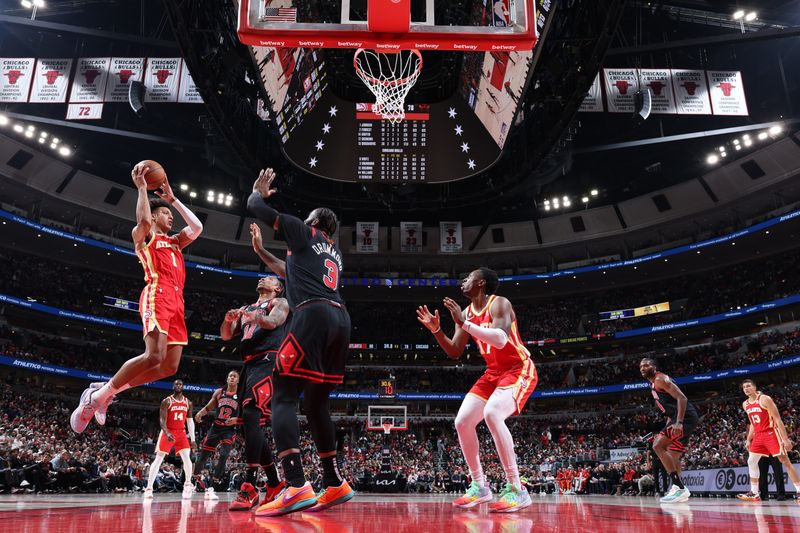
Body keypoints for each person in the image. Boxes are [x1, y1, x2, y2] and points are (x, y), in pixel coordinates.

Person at [246, 168, 354, 516]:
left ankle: (295, 485)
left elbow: (257, 208)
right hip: (340, 320)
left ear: (314, 222)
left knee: (284, 392)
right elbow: (287, 271)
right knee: (317, 403)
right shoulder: (333, 253)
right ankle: (334, 482)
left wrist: (257, 193)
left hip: (312, 315)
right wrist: (262, 253)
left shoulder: (304, 232)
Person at [70, 163, 203, 433]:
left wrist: (173, 200)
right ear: (153, 218)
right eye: (165, 213)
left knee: (168, 367)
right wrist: (143, 188)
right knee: (153, 355)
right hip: (158, 293)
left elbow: (198, 227)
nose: (170, 217)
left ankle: (103, 393)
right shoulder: (146, 236)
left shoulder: (175, 242)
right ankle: (96, 397)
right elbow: (142, 221)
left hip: (178, 302)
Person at [417, 267, 536, 513]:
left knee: (493, 413)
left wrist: (465, 323)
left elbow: (501, 339)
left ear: (480, 283)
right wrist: (438, 330)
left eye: (468, 277)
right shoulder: (467, 312)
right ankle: (480, 486)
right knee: (462, 422)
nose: (463, 280)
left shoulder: (499, 303)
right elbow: (454, 351)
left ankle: (517, 488)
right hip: (492, 372)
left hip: (518, 368)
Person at [220, 276, 289, 511]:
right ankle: (274, 482)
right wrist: (228, 319)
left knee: (251, 416)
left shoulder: (279, 303)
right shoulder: (246, 308)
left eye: (269, 277)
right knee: (246, 424)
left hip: (268, 359)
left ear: (277, 288)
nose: (262, 277)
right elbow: (226, 335)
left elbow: (273, 322)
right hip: (248, 364)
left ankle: (249, 486)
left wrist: (254, 317)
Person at [639, 358, 698, 503]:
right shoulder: (654, 383)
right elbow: (669, 408)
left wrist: (679, 422)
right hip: (678, 418)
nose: (643, 368)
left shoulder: (660, 379)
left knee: (657, 446)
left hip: (684, 418)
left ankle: (679, 487)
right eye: (641, 366)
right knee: (672, 457)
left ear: (654, 366)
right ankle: (678, 490)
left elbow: (682, 398)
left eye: (646, 365)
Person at [736, 379, 800, 502]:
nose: (746, 389)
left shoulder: (765, 399)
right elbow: (752, 423)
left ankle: (799, 490)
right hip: (758, 436)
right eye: (744, 387)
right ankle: (754, 492)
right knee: (751, 461)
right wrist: (749, 439)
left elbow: (777, 419)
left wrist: (785, 439)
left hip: (771, 433)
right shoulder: (745, 404)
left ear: (755, 387)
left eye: (749, 386)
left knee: (785, 461)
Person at [144, 380, 196, 499]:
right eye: (176, 384)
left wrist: (192, 439)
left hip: (181, 432)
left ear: (183, 387)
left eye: (180, 384)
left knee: (187, 458)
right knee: (158, 459)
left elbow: (190, 421)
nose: (178, 386)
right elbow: (162, 420)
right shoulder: (167, 401)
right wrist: (167, 432)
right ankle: (149, 488)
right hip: (168, 431)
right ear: (173, 386)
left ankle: (187, 484)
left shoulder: (188, 402)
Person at [193, 370, 240, 500]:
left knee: (224, 454)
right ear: (227, 379)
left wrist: (237, 420)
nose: (232, 377)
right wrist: (200, 413)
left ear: (238, 380)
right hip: (216, 427)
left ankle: (213, 485)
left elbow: (245, 413)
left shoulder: (241, 395)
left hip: (229, 429)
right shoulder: (219, 392)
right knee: (203, 455)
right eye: (230, 375)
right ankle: (193, 480)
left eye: (234, 376)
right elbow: (209, 407)